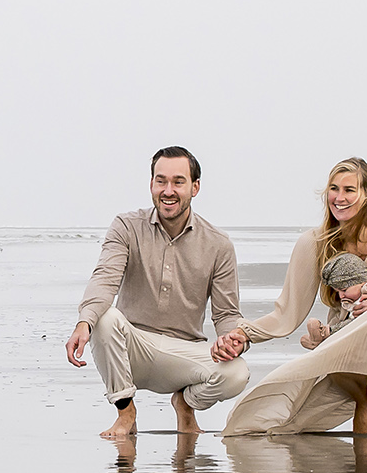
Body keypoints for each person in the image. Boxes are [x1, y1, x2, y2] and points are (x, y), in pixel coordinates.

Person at [222, 157, 367, 439]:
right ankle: (361, 406)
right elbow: (286, 314)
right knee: (268, 427)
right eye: (334, 189)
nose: (339, 198)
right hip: (355, 367)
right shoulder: (314, 243)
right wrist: (244, 333)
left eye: (349, 190)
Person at [66, 146, 250, 439]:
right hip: (132, 348)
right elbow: (104, 279)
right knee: (103, 317)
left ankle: (185, 404)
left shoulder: (219, 244)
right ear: (151, 184)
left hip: (185, 353)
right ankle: (126, 413)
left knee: (238, 373)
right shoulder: (126, 226)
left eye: (178, 181)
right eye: (161, 180)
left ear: (195, 187)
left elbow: (227, 314)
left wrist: (234, 340)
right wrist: (84, 321)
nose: (168, 190)